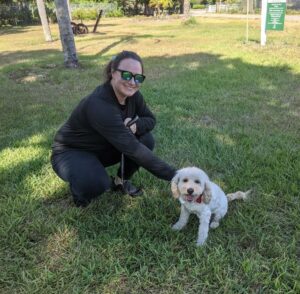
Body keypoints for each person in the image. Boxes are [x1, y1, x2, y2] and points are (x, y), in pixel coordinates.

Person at [51, 50, 176, 207]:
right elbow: (132, 148)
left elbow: (151, 119)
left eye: (138, 78)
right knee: (97, 182)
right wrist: (177, 175)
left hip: (104, 145)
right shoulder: (99, 104)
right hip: (70, 152)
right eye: (126, 75)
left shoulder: (133, 96)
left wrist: (136, 125)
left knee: (146, 139)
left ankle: (120, 181)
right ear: (113, 72)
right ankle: (80, 192)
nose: (132, 82)